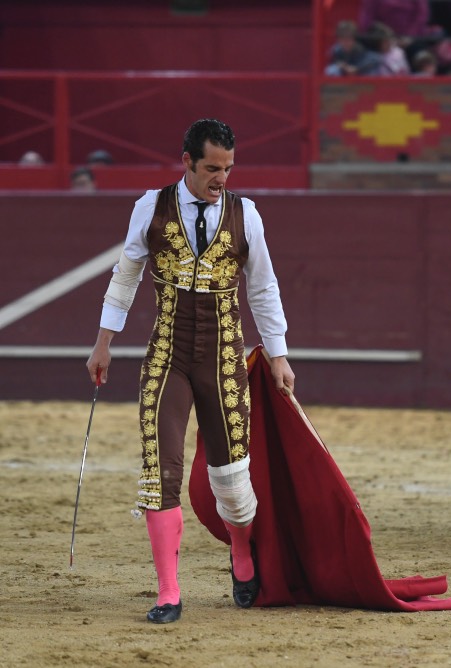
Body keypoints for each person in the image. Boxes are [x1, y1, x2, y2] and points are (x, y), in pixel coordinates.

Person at [86, 119, 295, 624]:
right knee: (161, 470)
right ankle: (168, 591)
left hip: (224, 357)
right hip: (168, 354)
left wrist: (278, 353)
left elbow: (262, 287)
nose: (221, 177)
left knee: (232, 474)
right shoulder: (150, 207)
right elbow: (126, 275)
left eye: (227, 168)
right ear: (186, 162)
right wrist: (103, 343)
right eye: (211, 168)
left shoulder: (247, 214)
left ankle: (241, 554)